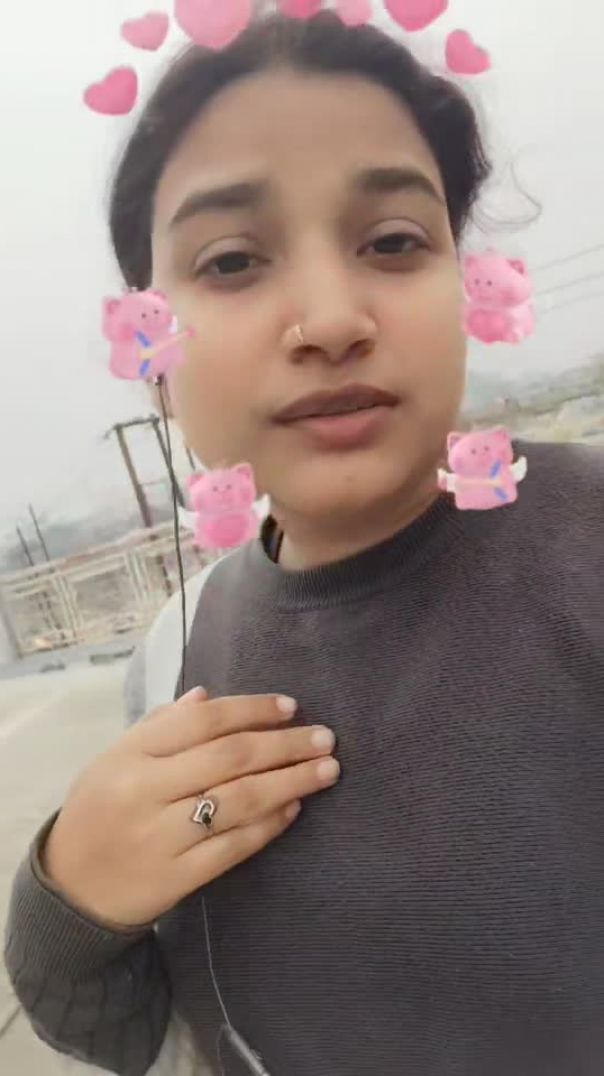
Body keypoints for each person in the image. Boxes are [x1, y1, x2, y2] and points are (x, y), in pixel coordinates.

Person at [4, 11, 604, 1076]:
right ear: (151, 349)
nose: (330, 318)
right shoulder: (174, 653)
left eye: (394, 242)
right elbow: (152, 1034)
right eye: (232, 259)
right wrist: (67, 906)